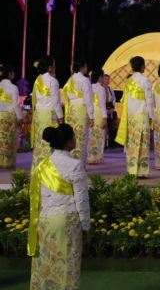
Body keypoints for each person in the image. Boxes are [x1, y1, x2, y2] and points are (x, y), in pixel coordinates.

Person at [28, 123, 90, 290]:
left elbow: (37, 198)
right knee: (67, 269)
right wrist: (86, 226)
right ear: (69, 143)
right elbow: (82, 200)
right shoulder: (75, 165)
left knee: (46, 268)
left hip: (45, 221)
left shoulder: (41, 165)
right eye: (74, 138)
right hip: (67, 221)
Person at [115, 56, 155, 177]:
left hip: (131, 116)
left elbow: (124, 99)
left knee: (132, 143)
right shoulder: (145, 80)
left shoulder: (129, 81)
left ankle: (132, 170)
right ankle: (142, 171)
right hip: (142, 115)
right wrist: (152, 116)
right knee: (143, 143)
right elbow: (149, 100)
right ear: (142, 66)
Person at [31, 56, 64, 169]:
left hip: (39, 114)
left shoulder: (37, 80)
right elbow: (56, 101)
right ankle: (48, 168)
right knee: (50, 141)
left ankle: (37, 166)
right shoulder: (53, 81)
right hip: (49, 114)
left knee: (40, 141)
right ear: (50, 68)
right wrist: (60, 116)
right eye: (54, 65)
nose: (55, 67)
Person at [63, 61, 94, 163]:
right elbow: (88, 99)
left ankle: (70, 161)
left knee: (72, 135)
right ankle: (79, 163)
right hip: (81, 109)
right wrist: (91, 116)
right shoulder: (85, 80)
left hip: (71, 109)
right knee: (82, 137)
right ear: (82, 67)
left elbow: (64, 95)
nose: (86, 68)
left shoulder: (70, 80)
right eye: (86, 66)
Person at [0, 64, 23, 168]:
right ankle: (7, 163)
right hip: (9, 116)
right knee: (9, 139)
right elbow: (16, 104)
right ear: (9, 74)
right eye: (13, 72)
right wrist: (20, 117)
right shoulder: (13, 87)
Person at [87, 69, 107, 164]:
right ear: (99, 78)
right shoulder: (101, 88)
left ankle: (90, 156)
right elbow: (102, 104)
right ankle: (97, 157)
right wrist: (105, 117)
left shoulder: (89, 87)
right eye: (103, 77)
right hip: (98, 113)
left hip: (90, 113)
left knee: (91, 135)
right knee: (99, 135)